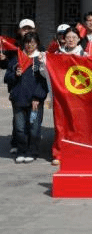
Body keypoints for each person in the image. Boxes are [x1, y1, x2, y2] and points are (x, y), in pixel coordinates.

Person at [4, 32, 48, 163]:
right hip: (18, 101)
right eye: (27, 42)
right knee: (20, 128)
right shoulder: (16, 59)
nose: (30, 45)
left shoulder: (41, 59)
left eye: (33, 43)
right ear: (24, 43)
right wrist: (15, 74)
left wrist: (38, 97)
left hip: (34, 102)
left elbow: (44, 81)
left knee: (34, 127)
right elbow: (7, 78)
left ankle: (32, 151)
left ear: (37, 44)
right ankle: (21, 151)